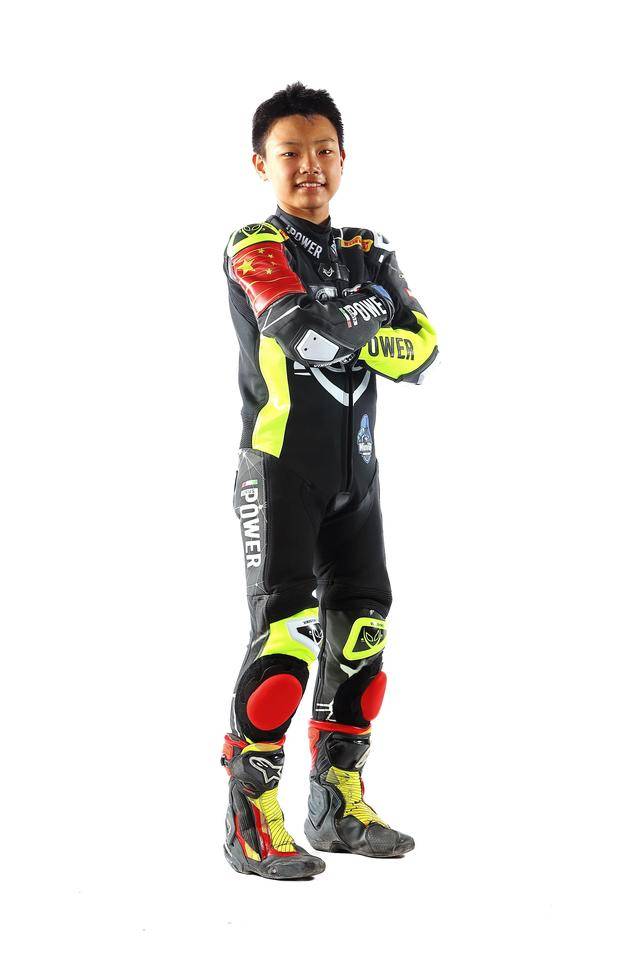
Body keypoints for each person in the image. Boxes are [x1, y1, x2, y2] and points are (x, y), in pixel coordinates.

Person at [220, 82, 438, 880]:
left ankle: (337, 807)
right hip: (280, 470)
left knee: (362, 638)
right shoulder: (253, 244)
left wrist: (352, 322)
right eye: (290, 153)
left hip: (359, 475)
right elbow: (298, 331)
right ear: (262, 163)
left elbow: (424, 349)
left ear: (343, 158)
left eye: (322, 151)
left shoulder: (367, 247)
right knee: (284, 642)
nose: (308, 165)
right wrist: (370, 315)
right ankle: (251, 821)